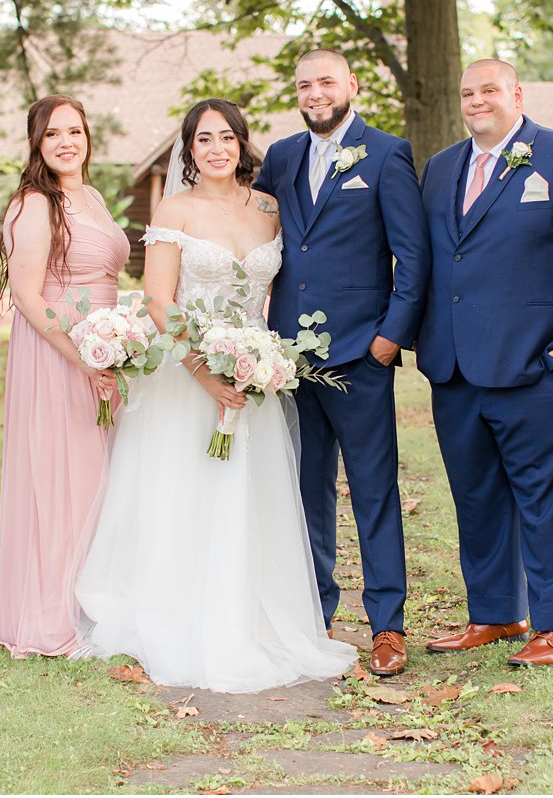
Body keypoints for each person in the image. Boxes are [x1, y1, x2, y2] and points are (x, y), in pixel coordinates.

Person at [74, 98, 356, 692]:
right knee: (187, 497)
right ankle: (183, 614)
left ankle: (252, 616)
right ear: (189, 149)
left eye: (227, 137)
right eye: (204, 140)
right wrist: (206, 372)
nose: (217, 149)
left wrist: (258, 365)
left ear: (242, 143)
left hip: (254, 379)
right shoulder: (174, 209)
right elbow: (158, 300)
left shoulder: (272, 210)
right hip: (186, 377)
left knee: (253, 499)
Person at [416, 59, 553, 667]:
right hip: (453, 366)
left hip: (539, 364)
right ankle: (496, 613)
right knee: (475, 497)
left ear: (517, 95)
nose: (477, 101)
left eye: (490, 91)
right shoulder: (442, 167)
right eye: (468, 92)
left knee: (546, 498)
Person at [252, 50, 428, 677]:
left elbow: (413, 254)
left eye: (326, 81)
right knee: (304, 491)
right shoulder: (280, 158)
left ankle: (387, 627)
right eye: (304, 84)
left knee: (374, 491)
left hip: (360, 354)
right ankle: (314, 615)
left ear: (351, 85)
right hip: (288, 361)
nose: (315, 92)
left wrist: (389, 338)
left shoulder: (386, 154)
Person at [0, 95, 130, 658]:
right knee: (65, 475)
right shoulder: (33, 203)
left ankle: (94, 596)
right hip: (58, 352)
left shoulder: (90, 196)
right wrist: (81, 355)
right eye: (53, 134)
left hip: (108, 349)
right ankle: (52, 609)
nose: (67, 141)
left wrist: (118, 342)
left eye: (75, 130)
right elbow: (25, 293)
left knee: (103, 477)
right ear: (36, 144)